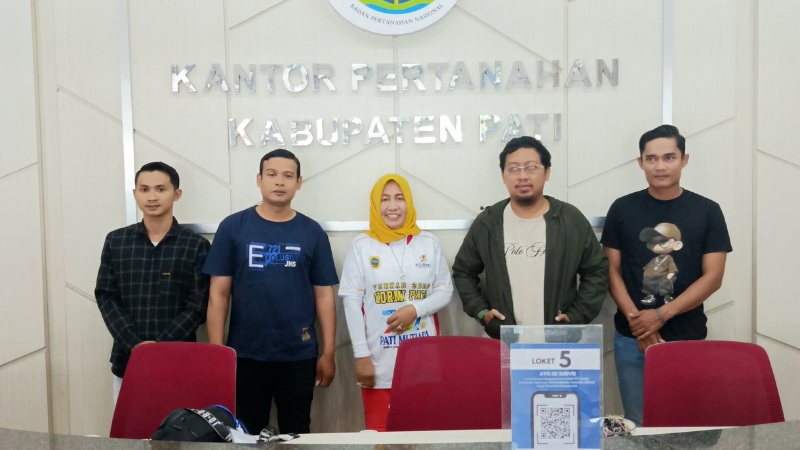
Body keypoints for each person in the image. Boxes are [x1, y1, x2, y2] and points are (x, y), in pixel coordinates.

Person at [601, 125, 732, 426]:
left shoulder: (708, 211)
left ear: (684, 160)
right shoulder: (622, 208)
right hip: (632, 337)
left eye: (669, 157)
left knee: (685, 425)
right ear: (640, 162)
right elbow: (610, 270)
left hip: (686, 336)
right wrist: (639, 323)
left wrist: (660, 316)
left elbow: (713, 277)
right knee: (637, 424)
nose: (660, 166)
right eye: (651, 158)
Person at [203, 149, 338, 435]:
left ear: (298, 182)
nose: (279, 181)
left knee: (296, 432)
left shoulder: (312, 232)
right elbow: (218, 294)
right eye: (272, 174)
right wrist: (217, 354)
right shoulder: (233, 227)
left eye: (288, 176)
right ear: (259, 179)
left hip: (298, 355)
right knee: (245, 434)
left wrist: (328, 352)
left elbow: (324, 295)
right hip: (245, 355)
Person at [453, 136, 609, 338]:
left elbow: (597, 270)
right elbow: (463, 271)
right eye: (513, 169)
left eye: (531, 167)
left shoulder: (570, 220)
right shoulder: (488, 222)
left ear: (547, 172)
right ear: (503, 175)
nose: (522, 176)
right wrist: (482, 312)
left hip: (558, 340)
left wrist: (577, 315)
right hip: (504, 339)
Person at [339, 174, 454, 431]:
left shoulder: (429, 242)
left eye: (399, 198)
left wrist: (415, 309)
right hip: (377, 362)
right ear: (375, 204)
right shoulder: (362, 245)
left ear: (409, 202)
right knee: (382, 438)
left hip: (423, 363)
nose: (393, 206)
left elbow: (445, 291)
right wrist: (361, 357)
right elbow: (351, 302)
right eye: (385, 199)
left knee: (421, 435)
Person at [95, 162, 210, 404]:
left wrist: (159, 346)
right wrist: (136, 344)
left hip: (179, 359)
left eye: (160, 189)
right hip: (128, 357)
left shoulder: (196, 245)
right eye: (144, 189)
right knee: (130, 425)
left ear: (176, 194)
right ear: (135, 193)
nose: (152, 197)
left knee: (178, 425)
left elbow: (198, 305)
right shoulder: (116, 241)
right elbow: (106, 296)